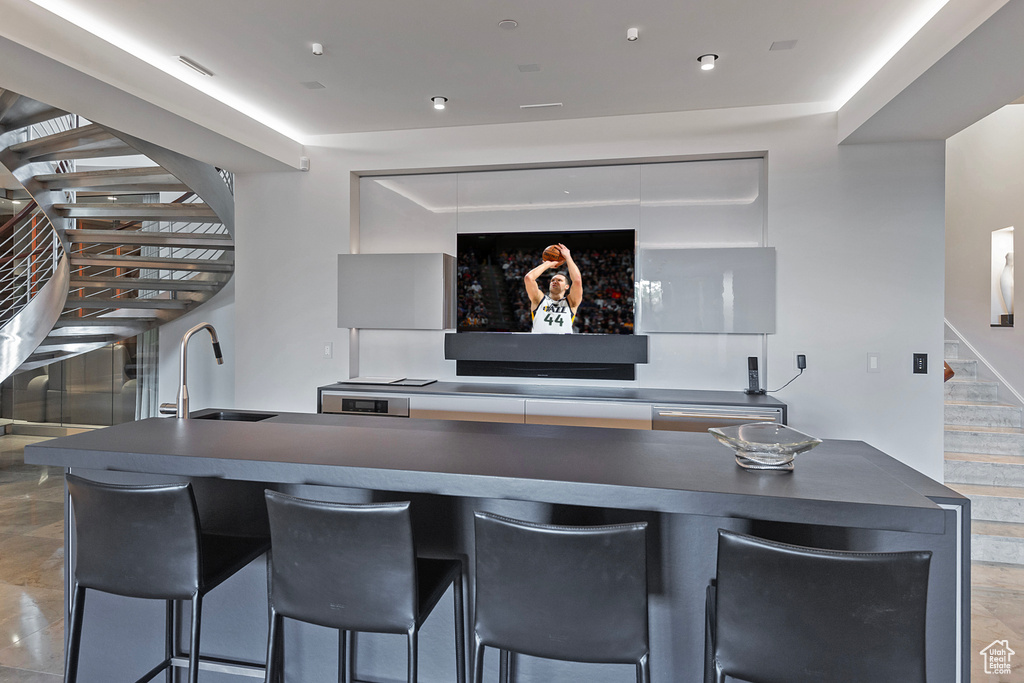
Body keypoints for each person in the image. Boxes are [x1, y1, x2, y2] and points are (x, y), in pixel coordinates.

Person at [524, 243, 583, 334]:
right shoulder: (539, 300)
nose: (555, 282)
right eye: (552, 280)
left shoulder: (571, 303)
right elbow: (529, 278)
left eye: (559, 280)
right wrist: (549, 263)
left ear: (567, 287)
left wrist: (568, 257)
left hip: (562, 344)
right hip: (539, 344)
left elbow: (577, 281)